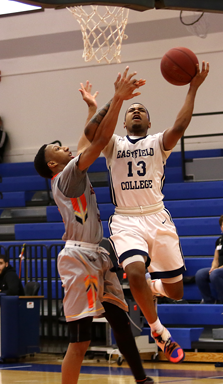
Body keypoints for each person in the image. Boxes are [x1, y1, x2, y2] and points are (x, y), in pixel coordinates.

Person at [83, 61, 209, 363]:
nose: (136, 111)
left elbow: (179, 126)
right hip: (126, 219)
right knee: (134, 271)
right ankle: (158, 330)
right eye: (131, 110)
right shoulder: (112, 144)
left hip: (157, 216)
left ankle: (154, 287)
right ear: (124, 122)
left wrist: (192, 88)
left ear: (150, 123)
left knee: (176, 291)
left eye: (142, 110)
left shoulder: (157, 142)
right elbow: (91, 132)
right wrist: (116, 99)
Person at [35, 69, 155, 384]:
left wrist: (92, 107)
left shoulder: (69, 169)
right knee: (81, 340)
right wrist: (117, 99)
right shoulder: (66, 175)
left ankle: (142, 379)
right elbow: (100, 139)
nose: (65, 148)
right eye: (57, 148)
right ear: (52, 164)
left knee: (119, 319)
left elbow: (87, 138)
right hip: (78, 260)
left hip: (97, 256)